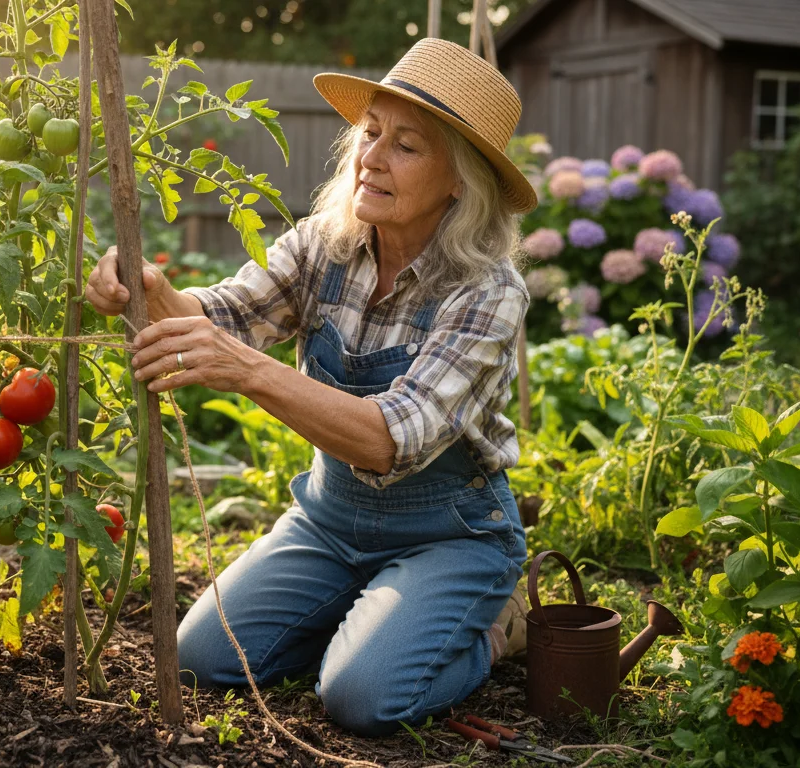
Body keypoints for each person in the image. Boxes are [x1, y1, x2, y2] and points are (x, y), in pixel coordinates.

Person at [84, 38, 535, 737]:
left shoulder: (487, 292)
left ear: (460, 182)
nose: (373, 157)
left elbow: (391, 440)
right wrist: (150, 289)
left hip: (449, 533)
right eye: (371, 132)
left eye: (406, 145)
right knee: (203, 658)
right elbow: (230, 317)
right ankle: (380, 612)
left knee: (360, 699)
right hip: (330, 522)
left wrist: (248, 372)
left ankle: (493, 629)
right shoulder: (324, 245)